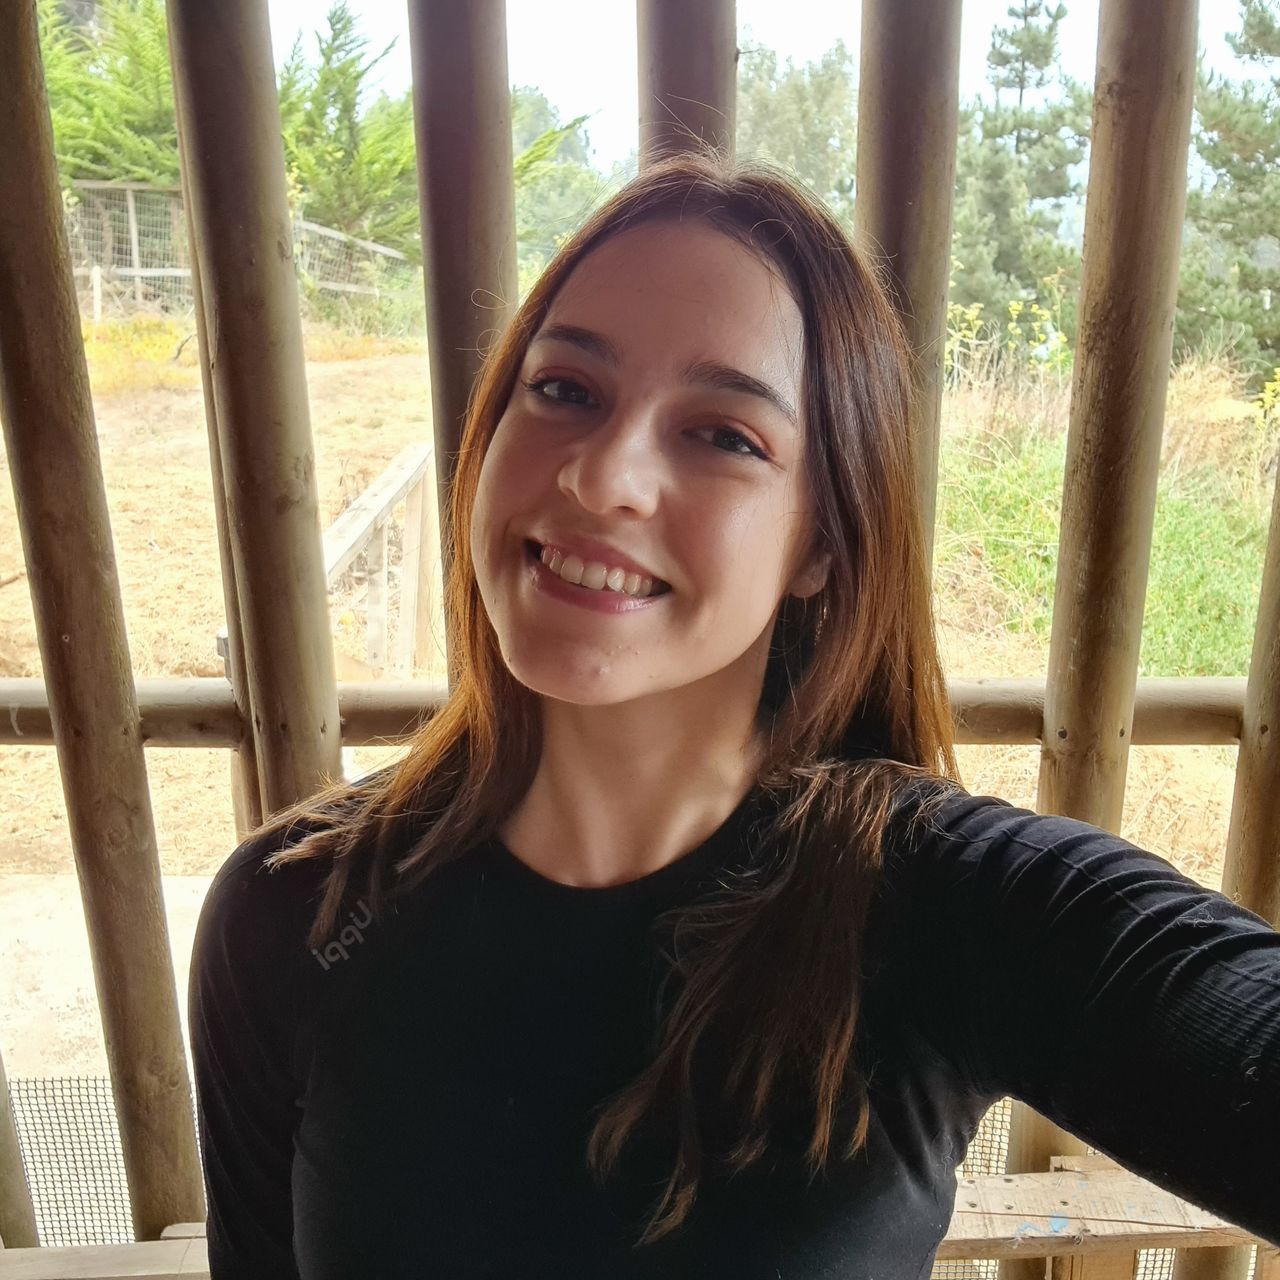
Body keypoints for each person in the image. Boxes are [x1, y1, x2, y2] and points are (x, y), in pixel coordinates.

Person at [189, 153, 1280, 1279]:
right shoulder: (292, 909)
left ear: (820, 544)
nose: (603, 477)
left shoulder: (936, 904)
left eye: (723, 435)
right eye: (564, 389)